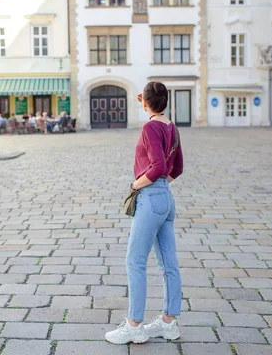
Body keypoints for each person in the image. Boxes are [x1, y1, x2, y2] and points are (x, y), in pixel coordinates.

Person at [105, 81, 183, 345]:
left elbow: (158, 165)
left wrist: (137, 184)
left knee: (134, 261)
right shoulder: (172, 127)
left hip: (150, 198)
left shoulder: (150, 127)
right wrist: (161, 186)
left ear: (145, 103)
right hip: (166, 200)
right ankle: (169, 323)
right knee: (168, 264)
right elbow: (177, 168)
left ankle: (134, 325)